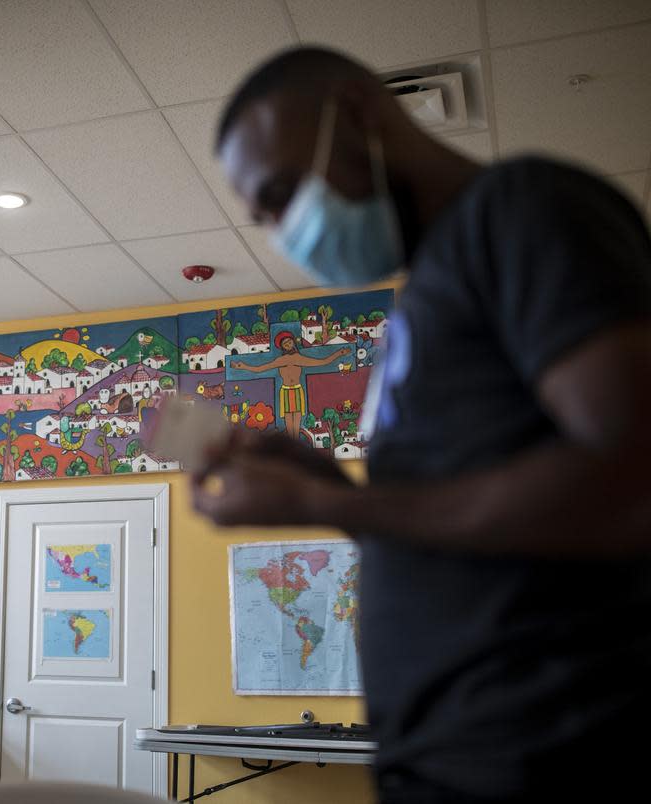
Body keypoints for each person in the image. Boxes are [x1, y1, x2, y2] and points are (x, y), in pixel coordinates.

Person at [195, 47, 651, 802]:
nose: (282, 228)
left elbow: (632, 479)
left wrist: (324, 505)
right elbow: (453, 522)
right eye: (264, 214)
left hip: (551, 748)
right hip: (448, 756)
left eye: (282, 192)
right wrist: (320, 480)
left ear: (360, 112)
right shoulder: (420, 300)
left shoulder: (526, 208)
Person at [234, 331, 351, 438]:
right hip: (285, 391)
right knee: (289, 420)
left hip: (297, 390)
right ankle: (292, 444)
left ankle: (296, 443)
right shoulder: (281, 360)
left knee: (297, 420)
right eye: (285, 343)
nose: (288, 344)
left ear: (293, 343)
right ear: (282, 347)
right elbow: (260, 369)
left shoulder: (299, 358)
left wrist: (340, 353)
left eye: (289, 341)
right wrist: (244, 366)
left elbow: (323, 362)